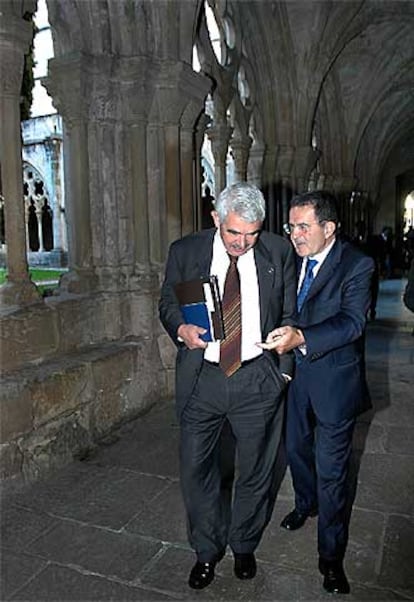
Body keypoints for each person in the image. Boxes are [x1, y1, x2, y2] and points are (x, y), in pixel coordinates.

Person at [159, 181, 296, 590]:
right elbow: (167, 301)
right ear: (216, 219)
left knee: (256, 469)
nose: (242, 242)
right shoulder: (186, 251)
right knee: (196, 470)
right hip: (203, 378)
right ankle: (206, 551)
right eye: (234, 232)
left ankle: (244, 545)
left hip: (257, 377)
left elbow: (289, 311)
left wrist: (283, 370)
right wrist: (180, 327)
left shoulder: (277, 251)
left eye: (252, 233)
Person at [259, 190, 374, 595]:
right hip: (293, 379)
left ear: (329, 228)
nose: (294, 234)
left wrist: (301, 337)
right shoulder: (291, 259)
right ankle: (305, 505)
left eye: (303, 226)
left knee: (333, 472)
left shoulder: (357, 265)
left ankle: (330, 557)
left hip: (334, 384)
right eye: (291, 226)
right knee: (295, 451)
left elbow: (351, 323)